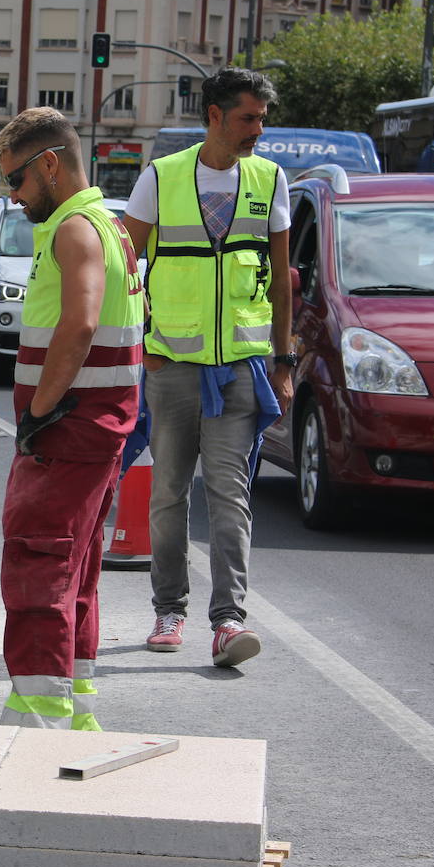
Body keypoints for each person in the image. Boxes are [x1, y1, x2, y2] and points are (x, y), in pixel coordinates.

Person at [121, 68, 293, 668]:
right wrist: (142, 344)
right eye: (249, 117)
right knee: (168, 495)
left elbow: (281, 280)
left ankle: (228, 622)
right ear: (215, 115)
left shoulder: (271, 180)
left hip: (241, 370)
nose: (258, 130)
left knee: (230, 495)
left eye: (263, 118)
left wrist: (284, 360)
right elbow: (124, 265)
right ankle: (169, 609)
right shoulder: (161, 179)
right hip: (172, 369)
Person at [0, 107, 145, 730]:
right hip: (98, 428)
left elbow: (79, 326)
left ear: (49, 164)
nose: (14, 195)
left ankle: (39, 719)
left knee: (38, 564)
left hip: (68, 430)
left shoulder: (74, 230)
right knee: (75, 568)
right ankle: (75, 712)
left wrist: (40, 412)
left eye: (17, 180)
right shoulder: (109, 226)